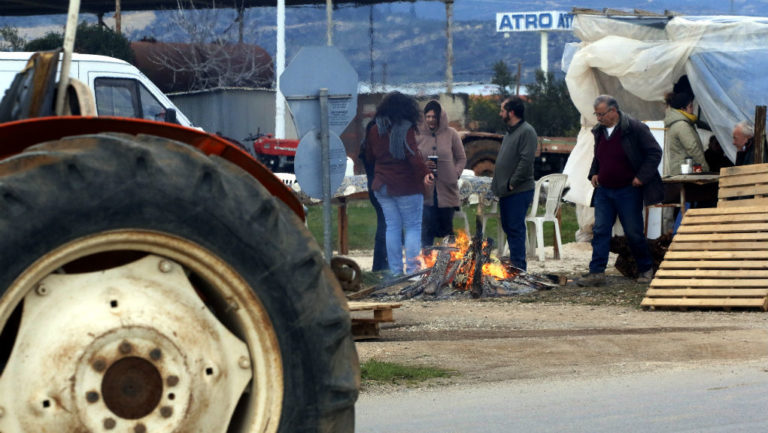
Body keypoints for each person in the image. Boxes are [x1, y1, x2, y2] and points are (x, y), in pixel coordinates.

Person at [578, 95, 663, 286]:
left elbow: (654, 152)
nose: (598, 118)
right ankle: (596, 272)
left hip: (628, 190)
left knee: (633, 232)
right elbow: (599, 156)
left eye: (601, 114)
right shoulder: (599, 131)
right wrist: (594, 173)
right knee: (600, 230)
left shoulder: (634, 128)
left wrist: (642, 177)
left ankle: (645, 268)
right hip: (604, 190)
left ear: (613, 111)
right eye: (596, 114)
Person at [364, 92, 434, 276]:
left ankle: (395, 272)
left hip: (382, 185)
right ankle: (412, 272)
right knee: (412, 226)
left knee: (392, 227)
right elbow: (412, 155)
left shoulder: (374, 129)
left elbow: (369, 155)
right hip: (406, 185)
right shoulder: (406, 128)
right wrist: (426, 173)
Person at [490, 96, 537, 270]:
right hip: (506, 190)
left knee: (516, 228)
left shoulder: (527, 131)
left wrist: (512, 182)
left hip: (518, 190)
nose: (500, 113)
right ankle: (515, 264)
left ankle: (519, 268)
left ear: (511, 112)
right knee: (508, 226)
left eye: (502, 110)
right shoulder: (511, 132)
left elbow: (526, 160)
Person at [418, 100, 467, 248]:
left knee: (447, 231)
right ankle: (426, 265)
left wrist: (455, 174)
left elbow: (461, 158)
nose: (431, 120)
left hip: (447, 190)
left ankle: (448, 264)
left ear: (441, 117)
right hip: (426, 191)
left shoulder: (451, 134)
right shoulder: (417, 134)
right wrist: (423, 167)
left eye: (434, 117)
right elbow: (412, 159)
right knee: (426, 231)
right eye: (428, 116)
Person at [358, 120, 388, 271]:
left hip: (373, 189)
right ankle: (380, 265)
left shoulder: (366, 146)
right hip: (382, 189)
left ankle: (381, 264)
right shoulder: (378, 148)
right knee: (385, 226)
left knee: (384, 225)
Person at [662, 92, 708, 176]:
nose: (692, 109)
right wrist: (704, 168)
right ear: (682, 109)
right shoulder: (682, 125)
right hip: (686, 172)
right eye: (690, 106)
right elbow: (693, 148)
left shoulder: (678, 123)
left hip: (681, 171)